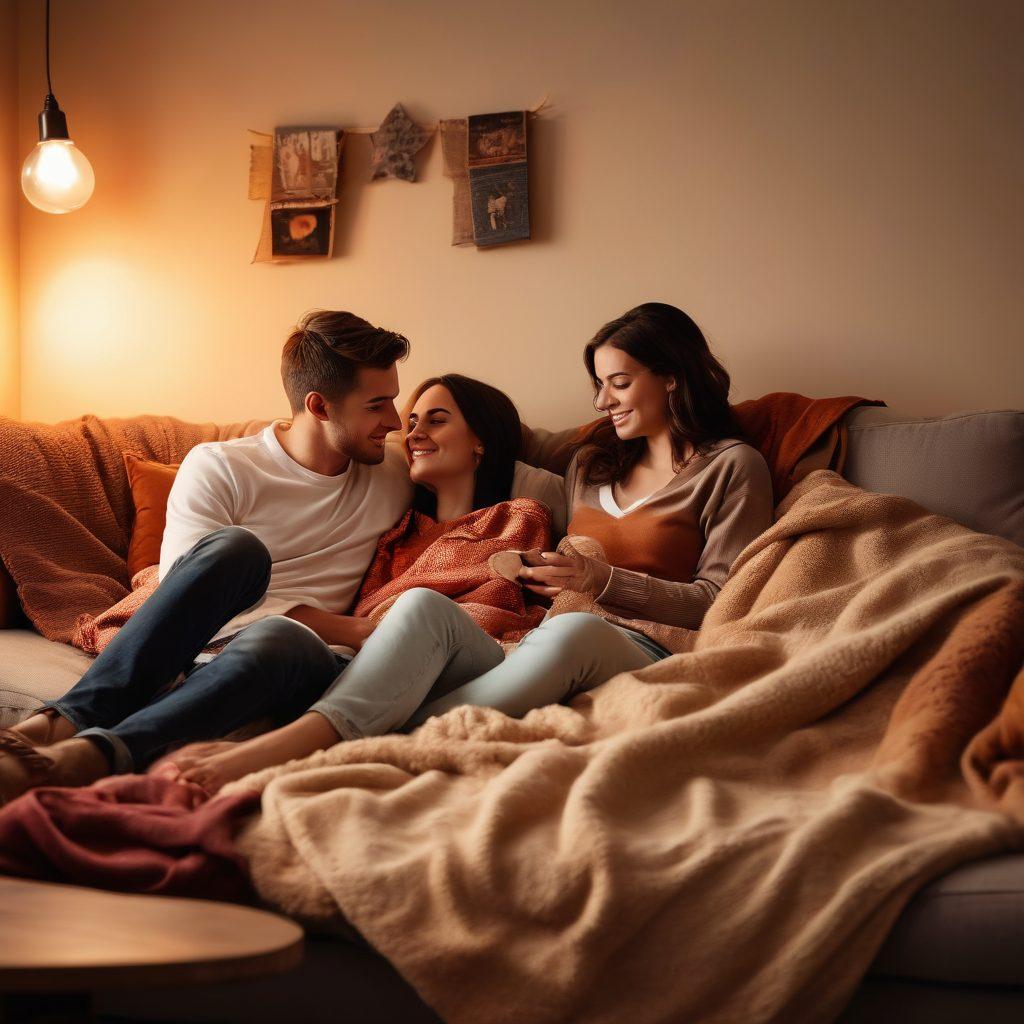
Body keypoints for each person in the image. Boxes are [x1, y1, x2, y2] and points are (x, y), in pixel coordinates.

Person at [168, 302, 775, 793]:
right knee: (423, 609)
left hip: (643, 643)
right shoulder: (591, 464)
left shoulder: (731, 468)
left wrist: (601, 583)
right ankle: (348, 729)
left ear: (672, 377)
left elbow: (722, 599)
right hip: (539, 641)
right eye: (598, 385)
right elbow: (496, 465)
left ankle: (295, 749)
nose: (601, 401)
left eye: (619, 383)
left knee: (573, 634)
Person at [0, 310, 416, 803]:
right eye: (377, 405)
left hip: (297, 660)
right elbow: (185, 593)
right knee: (237, 549)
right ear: (319, 406)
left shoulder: (394, 470)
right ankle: (61, 725)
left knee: (283, 637)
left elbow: (486, 482)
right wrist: (352, 628)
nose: (394, 421)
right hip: (198, 649)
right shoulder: (221, 466)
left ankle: (89, 753)